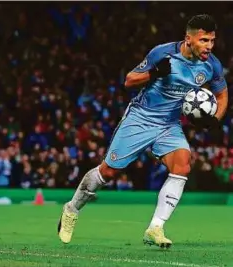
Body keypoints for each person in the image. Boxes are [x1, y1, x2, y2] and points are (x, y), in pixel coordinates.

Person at [57, 14, 228, 248]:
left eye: (212, 41)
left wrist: (216, 119)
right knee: (108, 172)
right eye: (204, 40)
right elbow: (129, 81)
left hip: (169, 125)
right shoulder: (162, 53)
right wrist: (154, 73)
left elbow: (221, 94)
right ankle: (72, 208)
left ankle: (155, 228)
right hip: (140, 118)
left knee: (182, 164)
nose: (209, 46)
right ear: (188, 39)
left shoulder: (212, 65)